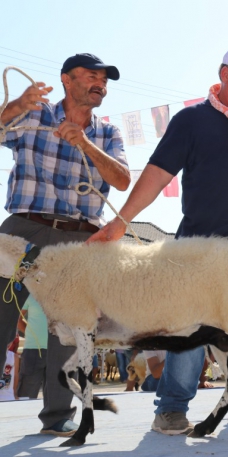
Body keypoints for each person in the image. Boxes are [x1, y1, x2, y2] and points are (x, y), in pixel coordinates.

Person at [88, 42, 228, 435]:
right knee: (189, 332)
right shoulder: (191, 120)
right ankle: (171, 408)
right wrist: (123, 220)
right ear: (224, 73)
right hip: (200, 255)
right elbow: (158, 172)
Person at [0, 53, 129, 435]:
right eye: (91, 76)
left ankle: (57, 419)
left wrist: (86, 145)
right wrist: (15, 106)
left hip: (79, 240)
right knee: (1, 316)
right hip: (25, 231)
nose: (100, 84)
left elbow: (122, 180)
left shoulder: (108, 133)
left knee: (69, 330)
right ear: (66, 80)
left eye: (104, 80)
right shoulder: (33, 113)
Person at [16, 294, 48, 399]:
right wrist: (30, 332)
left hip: (58, 351)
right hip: (32, 350)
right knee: (26, 396)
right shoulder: (30, 295)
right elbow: (17, 318)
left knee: (57, 398)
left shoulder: (63, 294)